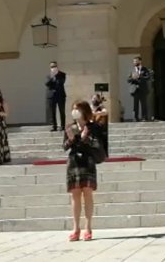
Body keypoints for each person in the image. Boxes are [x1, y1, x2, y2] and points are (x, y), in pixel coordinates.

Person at [64, 100, 103, 241]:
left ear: (84, 111)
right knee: (75, 195)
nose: (75, 112)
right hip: (74, 162)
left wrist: (85, 138)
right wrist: (71, 139)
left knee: (87, 193)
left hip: (87, 161)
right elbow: (65, 146)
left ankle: (88, 227)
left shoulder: (93, 127)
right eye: (73, 109)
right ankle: (76, 228)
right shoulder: (70, 127)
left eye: (78, 109)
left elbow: (97, 144)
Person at [128, 56, 151, 122]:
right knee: (135, 105)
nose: (134, 62)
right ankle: (135, 118)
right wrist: (133, 78)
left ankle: (144, 117)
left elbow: (148, 77)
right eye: (134, 61)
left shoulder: (145, 69)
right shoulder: (132, 70)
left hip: (143, 89)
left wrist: (140, 76)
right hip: (135, 90)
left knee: (144, 104)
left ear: (140, 61)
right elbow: (128, 80)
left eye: (136, 61)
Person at [46, 61, 67, 131]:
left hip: (60, 95)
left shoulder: (62, 74)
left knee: (62, 111)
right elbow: (47, 84)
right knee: (52, 112)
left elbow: (61, 82)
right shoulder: (49, 76)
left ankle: (63, 126)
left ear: (57, 67)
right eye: (52, 67)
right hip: (52, 96)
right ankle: (54, 126)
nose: (53, 68)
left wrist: (56, 75)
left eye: (54, 66)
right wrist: (52, 77)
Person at [91, 94, 109, 158]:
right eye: (93, 98)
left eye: (95, 98)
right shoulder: (90, 107)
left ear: (98, 99)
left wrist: (95, 113)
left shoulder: (101, 107)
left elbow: (105, 112)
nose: (94, 100)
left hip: (99, 129)